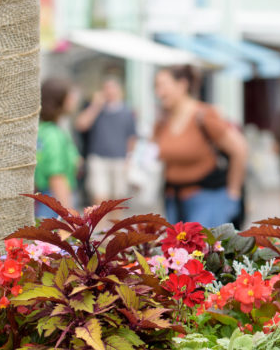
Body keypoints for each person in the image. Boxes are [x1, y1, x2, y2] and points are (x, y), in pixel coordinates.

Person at [153, 65, 248, 228]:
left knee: (202, 251)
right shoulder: (163, 121)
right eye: (156, 86)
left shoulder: (204, 115)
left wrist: (233, 194)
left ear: (182, 85)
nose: (158, 93)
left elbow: (240, 149)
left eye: (163, 86)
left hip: (207, 199)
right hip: (173, 200)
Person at [74, 76, 138, 206]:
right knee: (99, 196)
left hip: (119, 159)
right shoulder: (96, 109)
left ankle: (114, 226)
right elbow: (80, 124)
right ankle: (100, 226)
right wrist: (96, 105)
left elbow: (132, 137)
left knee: (117, 199)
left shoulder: (126, 111)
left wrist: (130, 158)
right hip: (98, 158)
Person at [34, 77, 80, 218]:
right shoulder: (54, 134)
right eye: (70, 95)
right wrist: (69, 216)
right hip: (55, 203)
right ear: (59, 100)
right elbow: (56, 176)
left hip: (42, 202)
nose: (75, 99)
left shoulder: (41, 130)